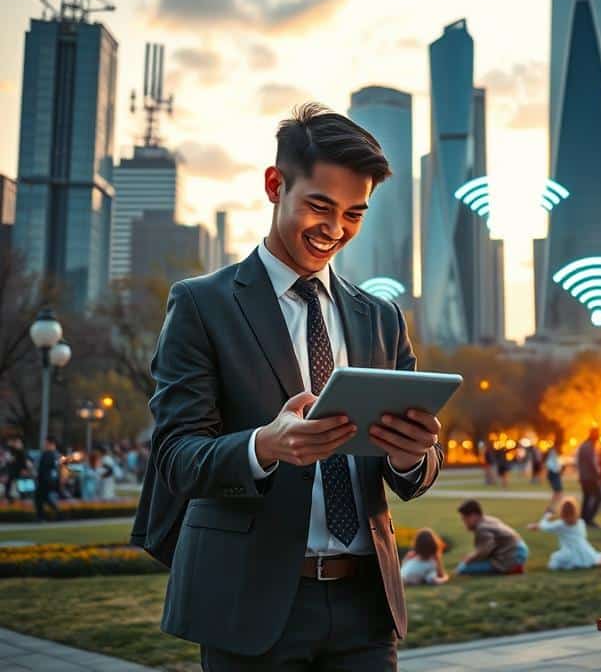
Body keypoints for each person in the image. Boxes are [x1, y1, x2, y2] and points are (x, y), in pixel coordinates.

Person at [131, 104, 444, 671]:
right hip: (248, 602)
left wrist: (410, 456)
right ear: (275, 186)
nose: (336, 229)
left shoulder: (381, 318)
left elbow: (415, 473)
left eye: (354, 214)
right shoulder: (202, 305)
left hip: (365, 607)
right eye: (320, 206)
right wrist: (264, 447)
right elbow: (176, 456)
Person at [528, 497, 601, 570]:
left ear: (562, 511)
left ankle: (599, 560)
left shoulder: (561, 524)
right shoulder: (580, 522)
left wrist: (546, 516)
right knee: (594, 557)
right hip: (585, 550)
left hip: (569, 552)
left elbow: (545, 527)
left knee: (554, 563)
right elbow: (584, 536)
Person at [456, 499, 528, 575]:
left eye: (465, 519)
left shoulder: (482, 528)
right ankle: (513, 565)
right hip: (519, 549)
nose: (464, 522)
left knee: (464, 568)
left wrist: (470, 558)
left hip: (512, 554)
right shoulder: (488, 520)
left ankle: (512, 567)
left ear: (474, 516)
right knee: (468, 565)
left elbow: (486, 549)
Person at [575, 428, 601, 526]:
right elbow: (592, 463)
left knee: (587, 498)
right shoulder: (589, 446)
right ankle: (589, 519)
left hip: (584, 477)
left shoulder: (585, 445)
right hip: (589, 477)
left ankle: (583, 519)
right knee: (598, 497)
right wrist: (598, 474)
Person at [34, 437, 60, 521]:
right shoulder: (56, 454)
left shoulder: (48, 454)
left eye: (46, 443)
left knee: (39, 498)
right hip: (51, 481)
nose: (44, 445)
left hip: (45, 480)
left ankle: (41, 517)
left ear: (50, 443)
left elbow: (43, 469)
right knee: (43, 498)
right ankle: (55, 511)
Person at [544, 444, 564, 512]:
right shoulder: (552, 455)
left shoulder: (553, 455)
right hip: (554, 474)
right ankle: (551, 507)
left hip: (554, 474)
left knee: (558, 493)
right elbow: (551, 466)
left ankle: (552, 507)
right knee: (558, 492)